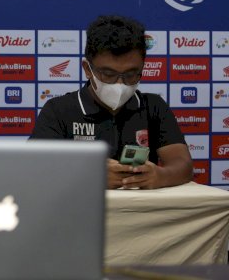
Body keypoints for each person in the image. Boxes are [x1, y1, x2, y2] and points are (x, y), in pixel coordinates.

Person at [30, 15, 192, 190]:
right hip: (80, 213)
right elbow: (34, 167)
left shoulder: (154, 107)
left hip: (141, 214)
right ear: (87, 69)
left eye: (131, 74)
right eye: (108, 74)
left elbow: (182, 164)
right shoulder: (58, 110)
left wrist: (162, 176)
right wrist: (89, 176)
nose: (120, 84)